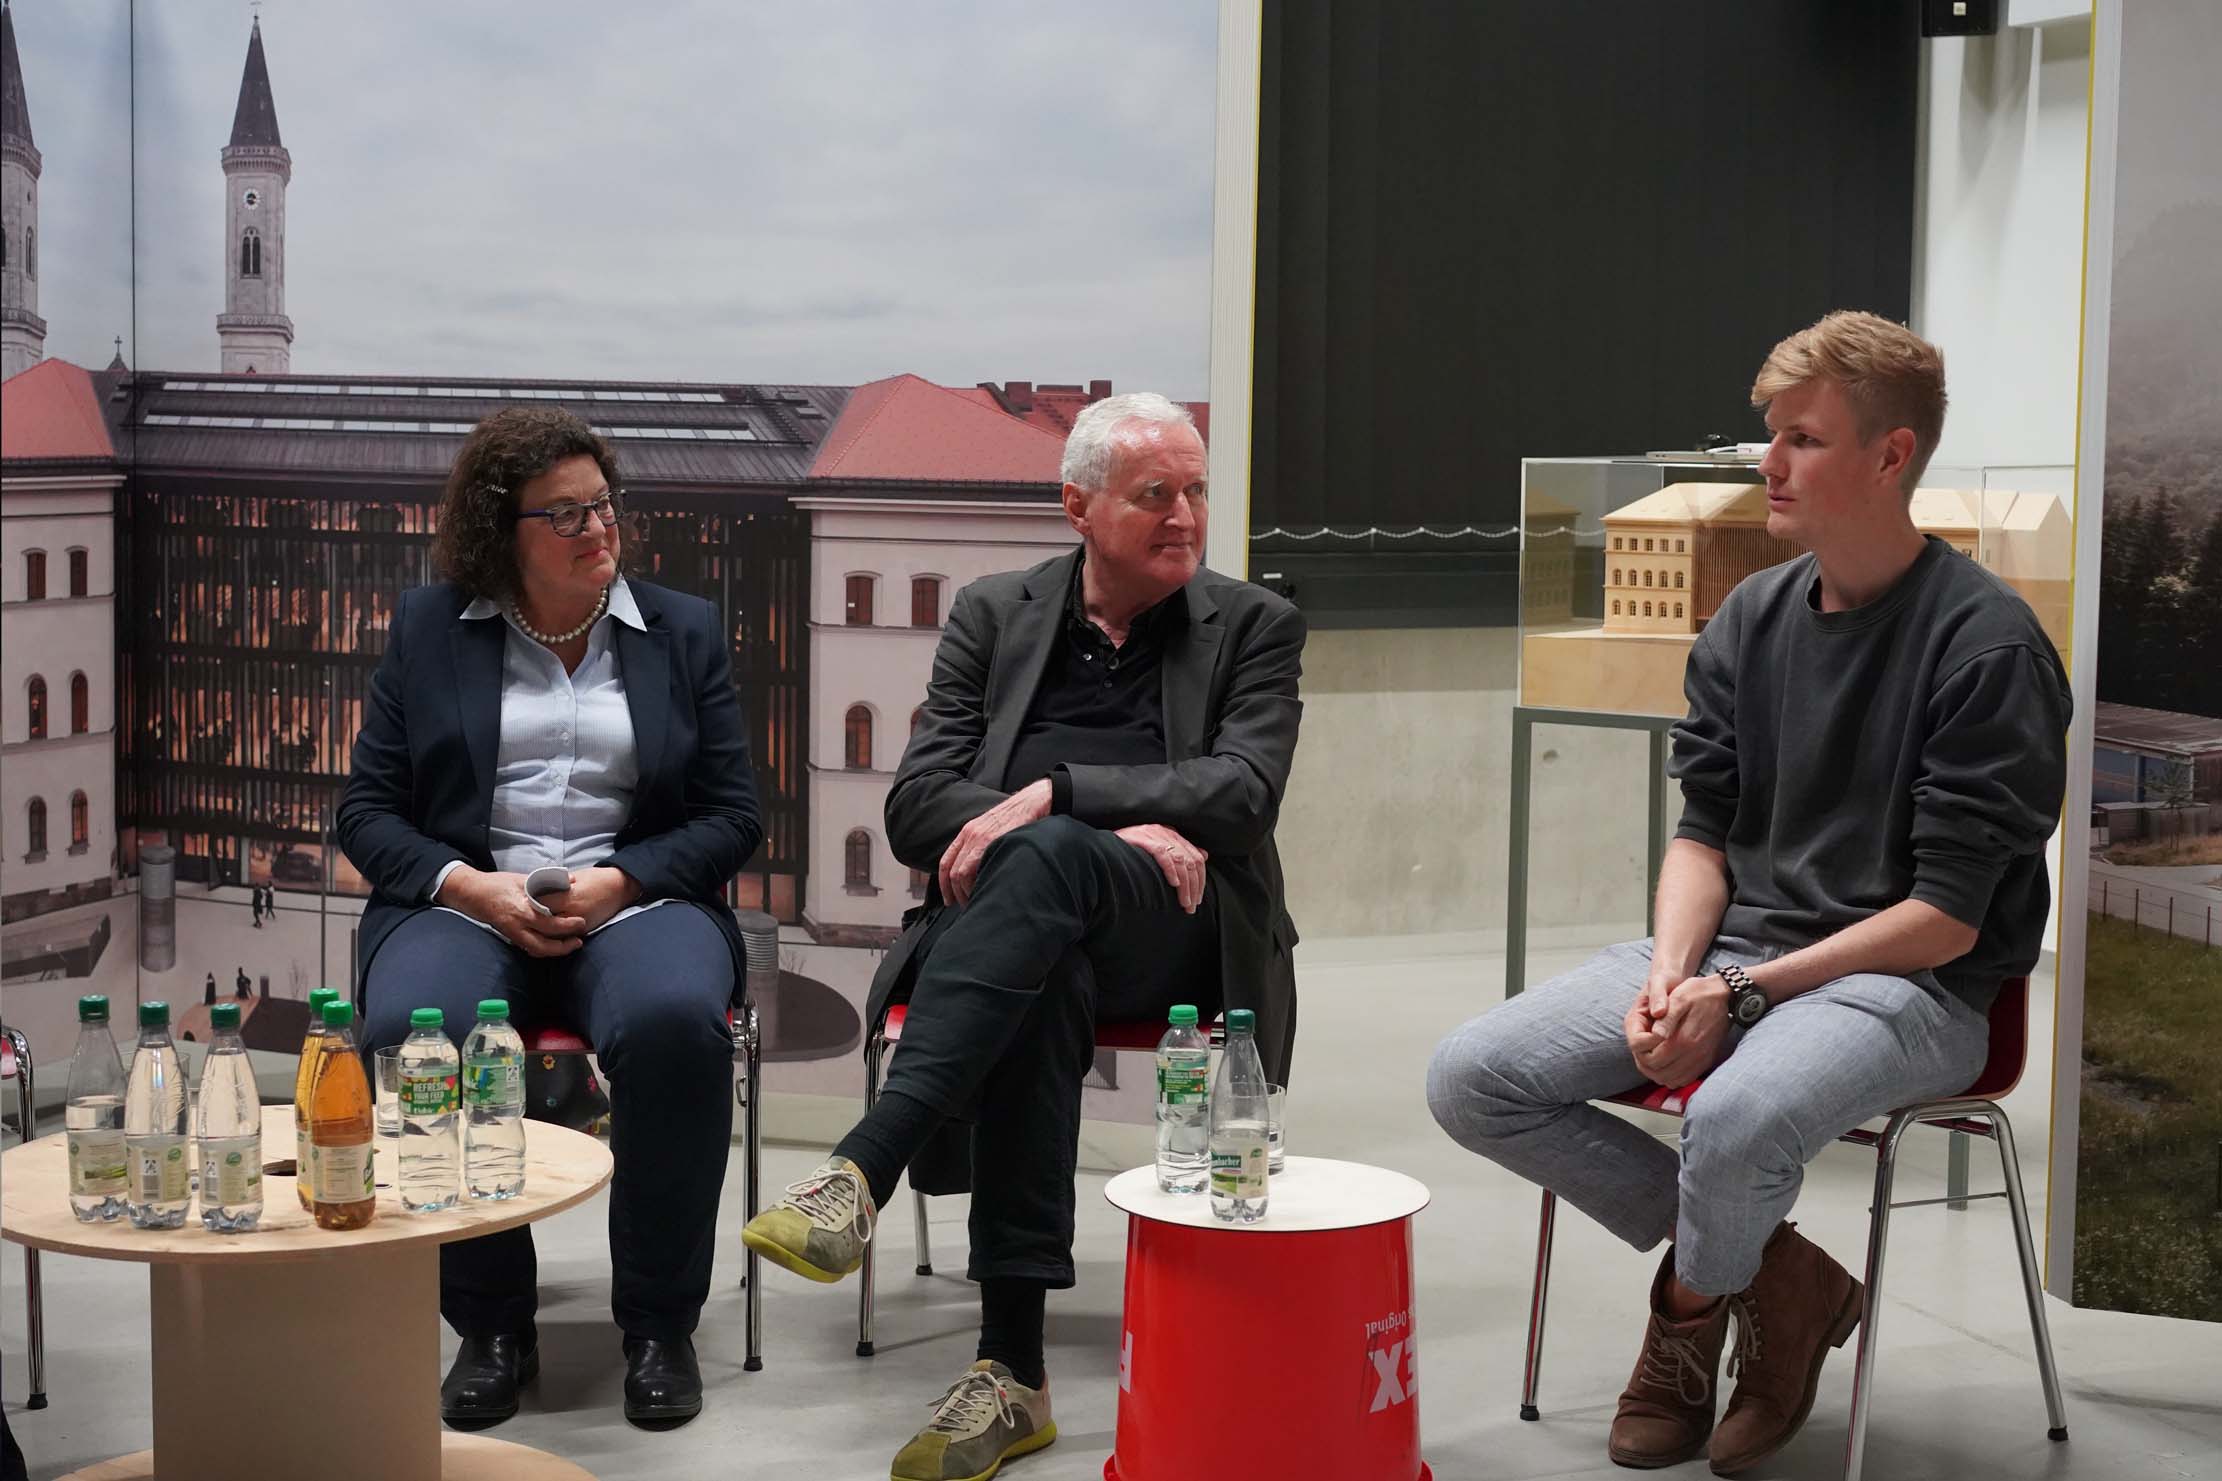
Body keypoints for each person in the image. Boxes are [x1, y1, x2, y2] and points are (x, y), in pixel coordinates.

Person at [1426, 312, 2071, 1476]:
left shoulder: (1985, 647)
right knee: (1473, 1076)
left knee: (1731, 1116)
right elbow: (1699, 835)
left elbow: (1948, 917)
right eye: (1765, 435)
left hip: (1909, 986)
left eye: (1802, 439)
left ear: (1890, 456)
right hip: (1739, 954)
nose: (1766, 462)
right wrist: (1675, 972)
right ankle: (1785, 1276)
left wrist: (1740, 990)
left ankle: (1683, 1318)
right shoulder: (1747, 619)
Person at [741, 393, 1307, 1481]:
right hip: (1035, 926)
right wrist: (1109, 818)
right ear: (1077, 507)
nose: (1185, 514)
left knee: (1041, 863)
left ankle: (863, 1167)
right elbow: (915, 807)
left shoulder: (1252, 624)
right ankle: (1011, 1372)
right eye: (1155, 495)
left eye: (1195, 490)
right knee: (1043, 946)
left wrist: (1052, 794)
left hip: (1181, 925)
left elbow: (1239, 797)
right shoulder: (994, 614)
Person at [337, 407, 760, 1430]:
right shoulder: (432, 628)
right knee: (414, 1029)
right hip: (476, 898)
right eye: (563, 515)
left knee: (672, 1024)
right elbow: (365, 811)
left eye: (603, 506)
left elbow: (732, 814)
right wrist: (467, 885)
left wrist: (624, 878)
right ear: (501, 530)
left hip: (636, 896)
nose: (596, 531)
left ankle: (659, 1325)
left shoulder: (681, 629)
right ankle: (489, 1324)